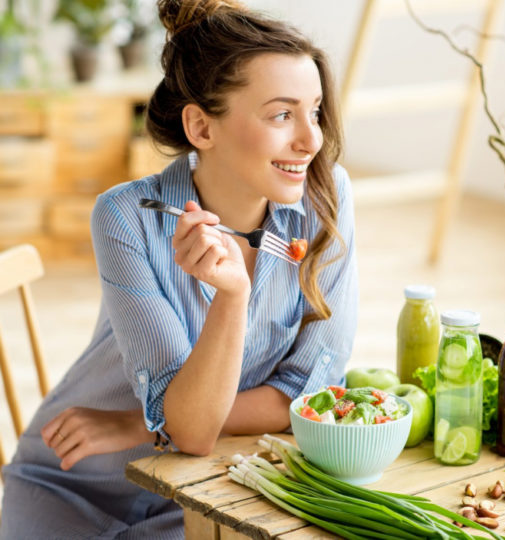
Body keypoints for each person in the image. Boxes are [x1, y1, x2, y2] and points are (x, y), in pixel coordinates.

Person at [0, 0, 358, 537]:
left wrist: (140, 422)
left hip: (203, 487)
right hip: (73, 483)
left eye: (313, 111)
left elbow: (307, 394)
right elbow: (191, 428)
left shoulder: (327, 201)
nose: (310, 140)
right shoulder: (126, 217)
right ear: (201, 127)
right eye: (282, 114)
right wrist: (231, 301)